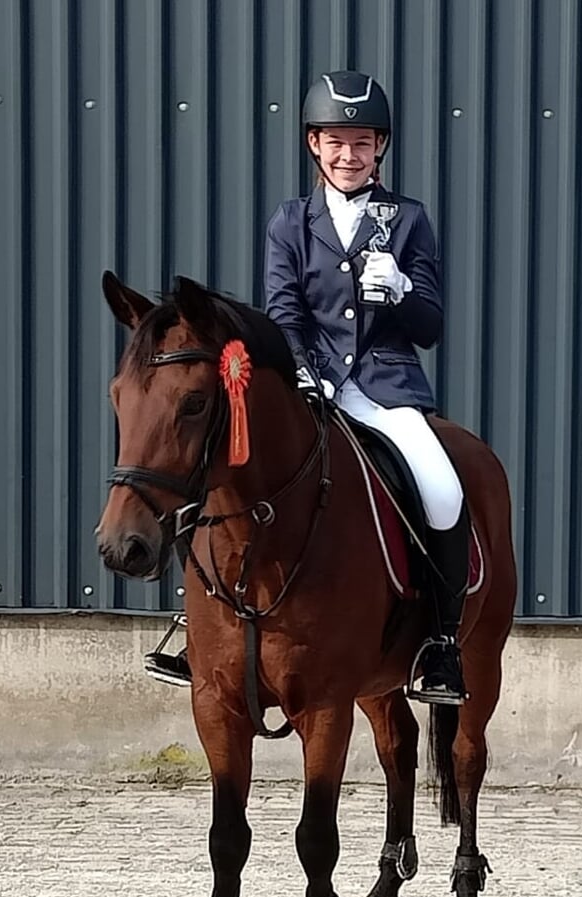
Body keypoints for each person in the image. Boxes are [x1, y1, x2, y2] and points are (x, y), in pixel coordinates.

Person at [143, 69, 469, 706]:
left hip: (387, 390)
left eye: (363, 143)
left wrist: (400, 291)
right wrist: (300, 369)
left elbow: (428, 324)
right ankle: (196, 626)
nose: (350, 156)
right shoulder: (290, 222)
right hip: (312, 386)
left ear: (380, 148)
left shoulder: (407, 221)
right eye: (336, 143)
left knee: (443, 490)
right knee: (218, 468)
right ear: (314, 146)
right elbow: (283, 308)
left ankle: (441, 644)